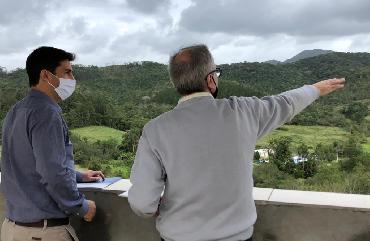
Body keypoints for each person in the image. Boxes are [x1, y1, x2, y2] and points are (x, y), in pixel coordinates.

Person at [128, 44, 345, 241]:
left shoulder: (155, 130)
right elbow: (285, 103)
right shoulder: (244, 112)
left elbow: (142, 203)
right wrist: (315, 89)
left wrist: (153, 208)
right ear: (211, 79)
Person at [1, 46, 105, 241]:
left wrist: (80, 176)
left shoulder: (16, 111)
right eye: (66, 72)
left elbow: (27, 165)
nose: (71, 79)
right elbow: (53, 172)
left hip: (12, 229)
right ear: (46, 75)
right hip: (42, 232)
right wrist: (81, 207)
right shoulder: (47, 113)